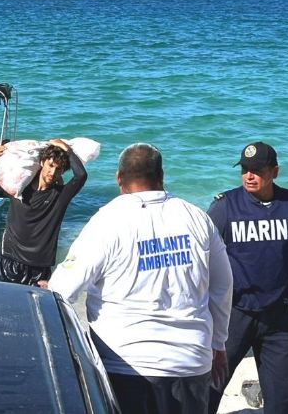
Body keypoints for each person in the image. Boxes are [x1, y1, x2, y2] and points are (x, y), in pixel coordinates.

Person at [48, 143, 233, 414]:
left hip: (125, 365)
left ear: (118, 178)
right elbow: (223, 285)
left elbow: (62, 290)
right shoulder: (196, 217)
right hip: (191, 362)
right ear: (161, 176)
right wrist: (218, 344)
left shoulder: (107, 221)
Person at [207, 141, 288, 414]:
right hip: (234, 314)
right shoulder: (225, 207)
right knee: (210, 386)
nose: (249, 175)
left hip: (277, 317)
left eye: (257, 170)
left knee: (282, 395)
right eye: (245, 169)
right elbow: (202, 260)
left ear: (275, 172)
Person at [0, 139, 87, 287]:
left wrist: (67, 150)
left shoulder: (60, 195)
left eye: (59, 169)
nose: (53, 172)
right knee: (1, 307)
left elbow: (81, 176)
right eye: (50, 165)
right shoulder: (18, 187)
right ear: (42, 162)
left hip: (38, 268)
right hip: (8, 260)